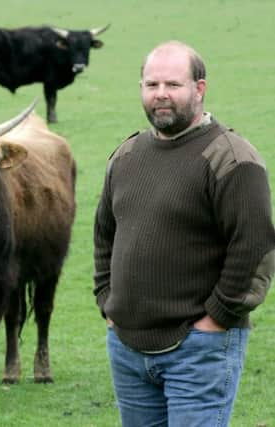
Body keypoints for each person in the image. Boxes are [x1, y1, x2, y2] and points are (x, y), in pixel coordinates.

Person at [93, 40, 275, 426]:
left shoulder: (231, 157)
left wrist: (217, 320)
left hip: (199, 350)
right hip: (127, 347)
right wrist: (107, 302)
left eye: (173, 85)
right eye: (152, 84)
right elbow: (104, 236)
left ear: (199, 89)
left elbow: (254, 247)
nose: (161, 94)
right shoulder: (126, 156)